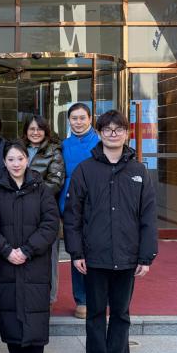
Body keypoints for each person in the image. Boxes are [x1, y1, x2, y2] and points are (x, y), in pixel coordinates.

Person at [62, 110, 157, 353]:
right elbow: (73, 216)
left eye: (118, 129)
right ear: (99, 133)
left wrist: (146, 256)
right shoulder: (85, 170)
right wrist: (76, 252)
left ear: (126, 133)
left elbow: (148, 217)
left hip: (127, 257)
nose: (113, 134)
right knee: (94, 314)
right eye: (107, 129)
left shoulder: (139, 171)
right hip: (94, 257)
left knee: (120, 314)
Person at [0, 141, 59, 353]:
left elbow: (50, 224)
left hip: (34, 264)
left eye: (20, 159)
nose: (16, 164)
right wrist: (6, 250)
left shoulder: (41, 189)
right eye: (11, 159)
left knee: (35, 316)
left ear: (27, 160)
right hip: (5, 264)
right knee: (9, 316)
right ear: (4, 162)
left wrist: (27, 250)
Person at [59, 103, 100, 320]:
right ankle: (82, 299)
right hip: (71, 205)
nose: (78, 122)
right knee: (77, 252)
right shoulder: (63, 145)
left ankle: (99, 298)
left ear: (90, 119)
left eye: (82, 118)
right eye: (74, 118)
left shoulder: (100, 142)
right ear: (69, 120)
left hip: (97, 206)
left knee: (98, 252)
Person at [22, 115, 65, 306]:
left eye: (39, 129)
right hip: (20, 209)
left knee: (49, 256)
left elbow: (55, 181)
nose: (35, 132)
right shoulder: (19, 148)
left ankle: (49, 298)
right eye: (31, 129)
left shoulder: (54, 150)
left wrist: (31, 196)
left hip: (45, 210)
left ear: (45, 131)